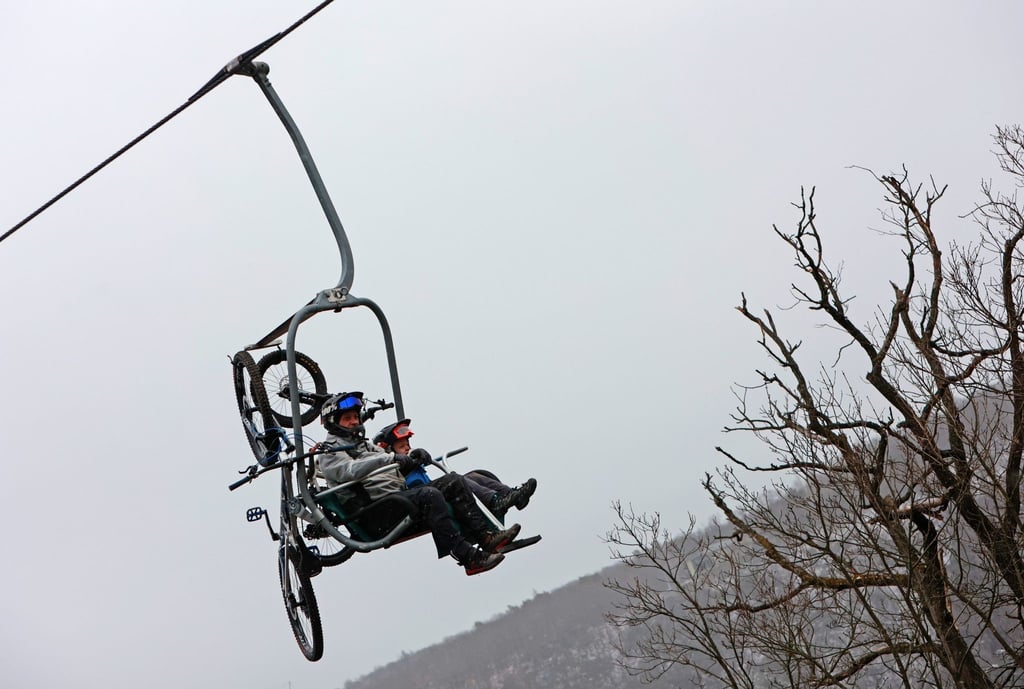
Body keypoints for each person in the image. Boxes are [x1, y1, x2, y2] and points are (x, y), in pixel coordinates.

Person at [316, 391, 520, 575]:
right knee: (429, 496)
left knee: (453, 481)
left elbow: (392, 466)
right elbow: (349, 471)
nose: (354, 422)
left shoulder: (363, 445)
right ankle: (468, 557)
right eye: (347, 418)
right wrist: (390, 458)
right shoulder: (329, 452)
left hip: (396, 500)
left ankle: (485, 537)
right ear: (334, 421)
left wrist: (412, 458)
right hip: (375, 511)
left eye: (355, 416)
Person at [372, 418, 537, 518]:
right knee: (459, 480)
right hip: (420, 499)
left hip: (432, 491)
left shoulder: (411, 462)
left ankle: (511, 495)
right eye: (402, 447)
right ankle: (495, 501)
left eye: (408, 445)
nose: (407, 449)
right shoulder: (390, 469)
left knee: (474, 476)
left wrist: (417, 459)